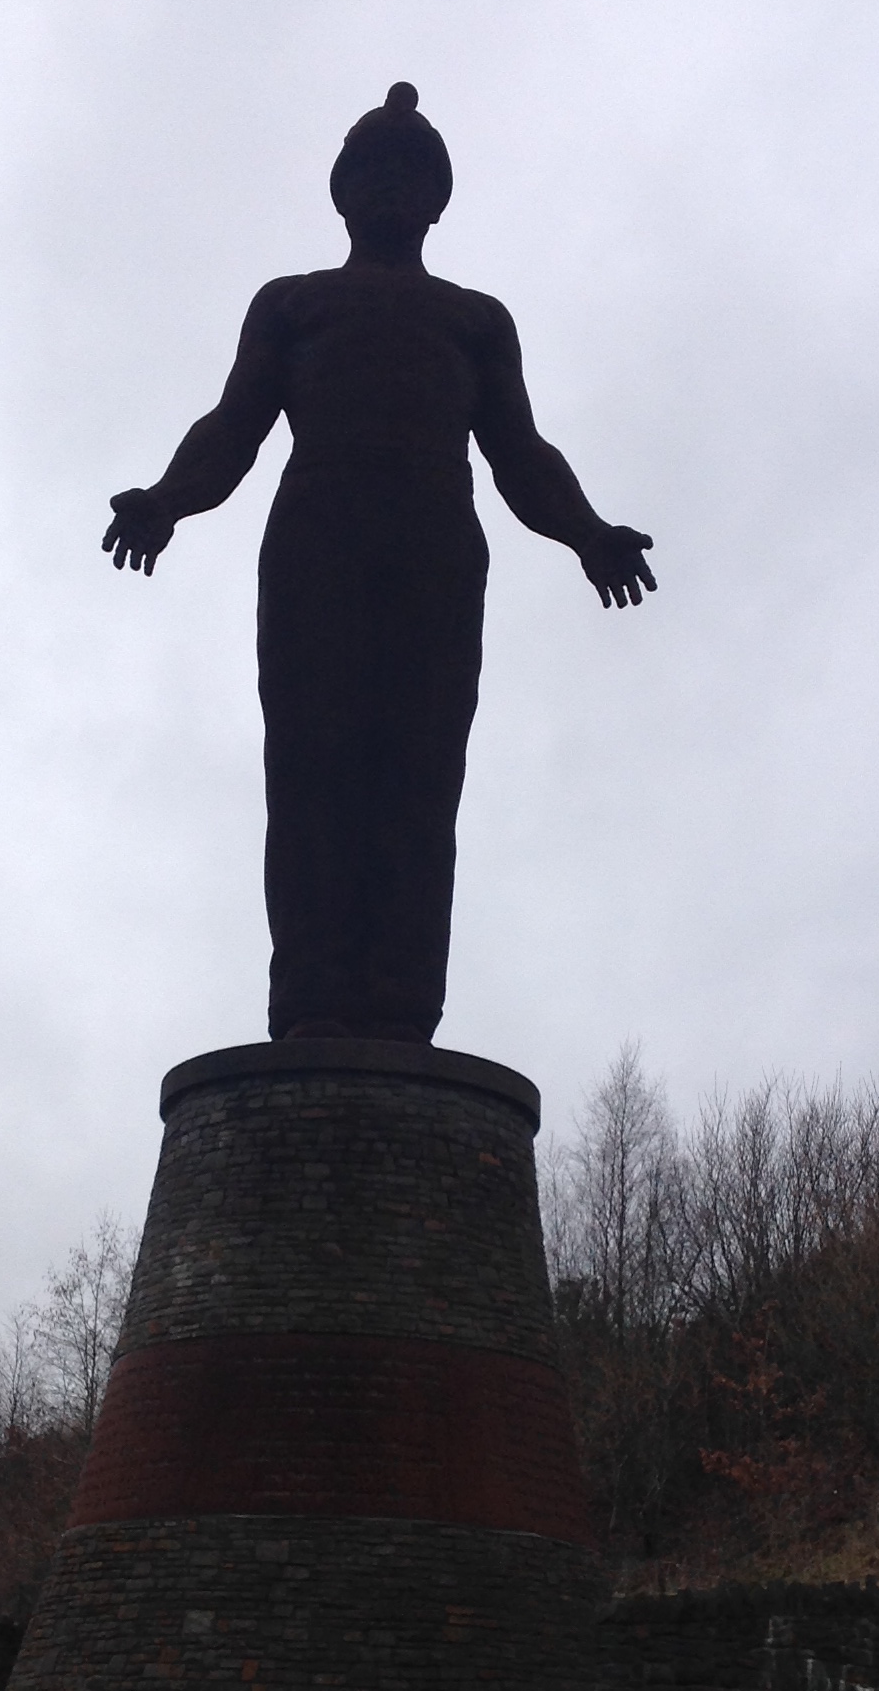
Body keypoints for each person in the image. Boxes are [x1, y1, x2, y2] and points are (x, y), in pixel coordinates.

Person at [103, 83, 655, 1043]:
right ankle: (310, 1001)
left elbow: (520, 451)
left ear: (437, 200)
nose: (392, 186)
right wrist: (166, 502)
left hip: (436, 556)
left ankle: (402, 1008)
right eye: (374, 167)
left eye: (412, 171)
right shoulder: (292, 304)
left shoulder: (476, 321)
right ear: (342, 191)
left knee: (419, 777)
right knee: (312, 770)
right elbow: (233, 425)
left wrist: (588, 532)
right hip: (318, 549)